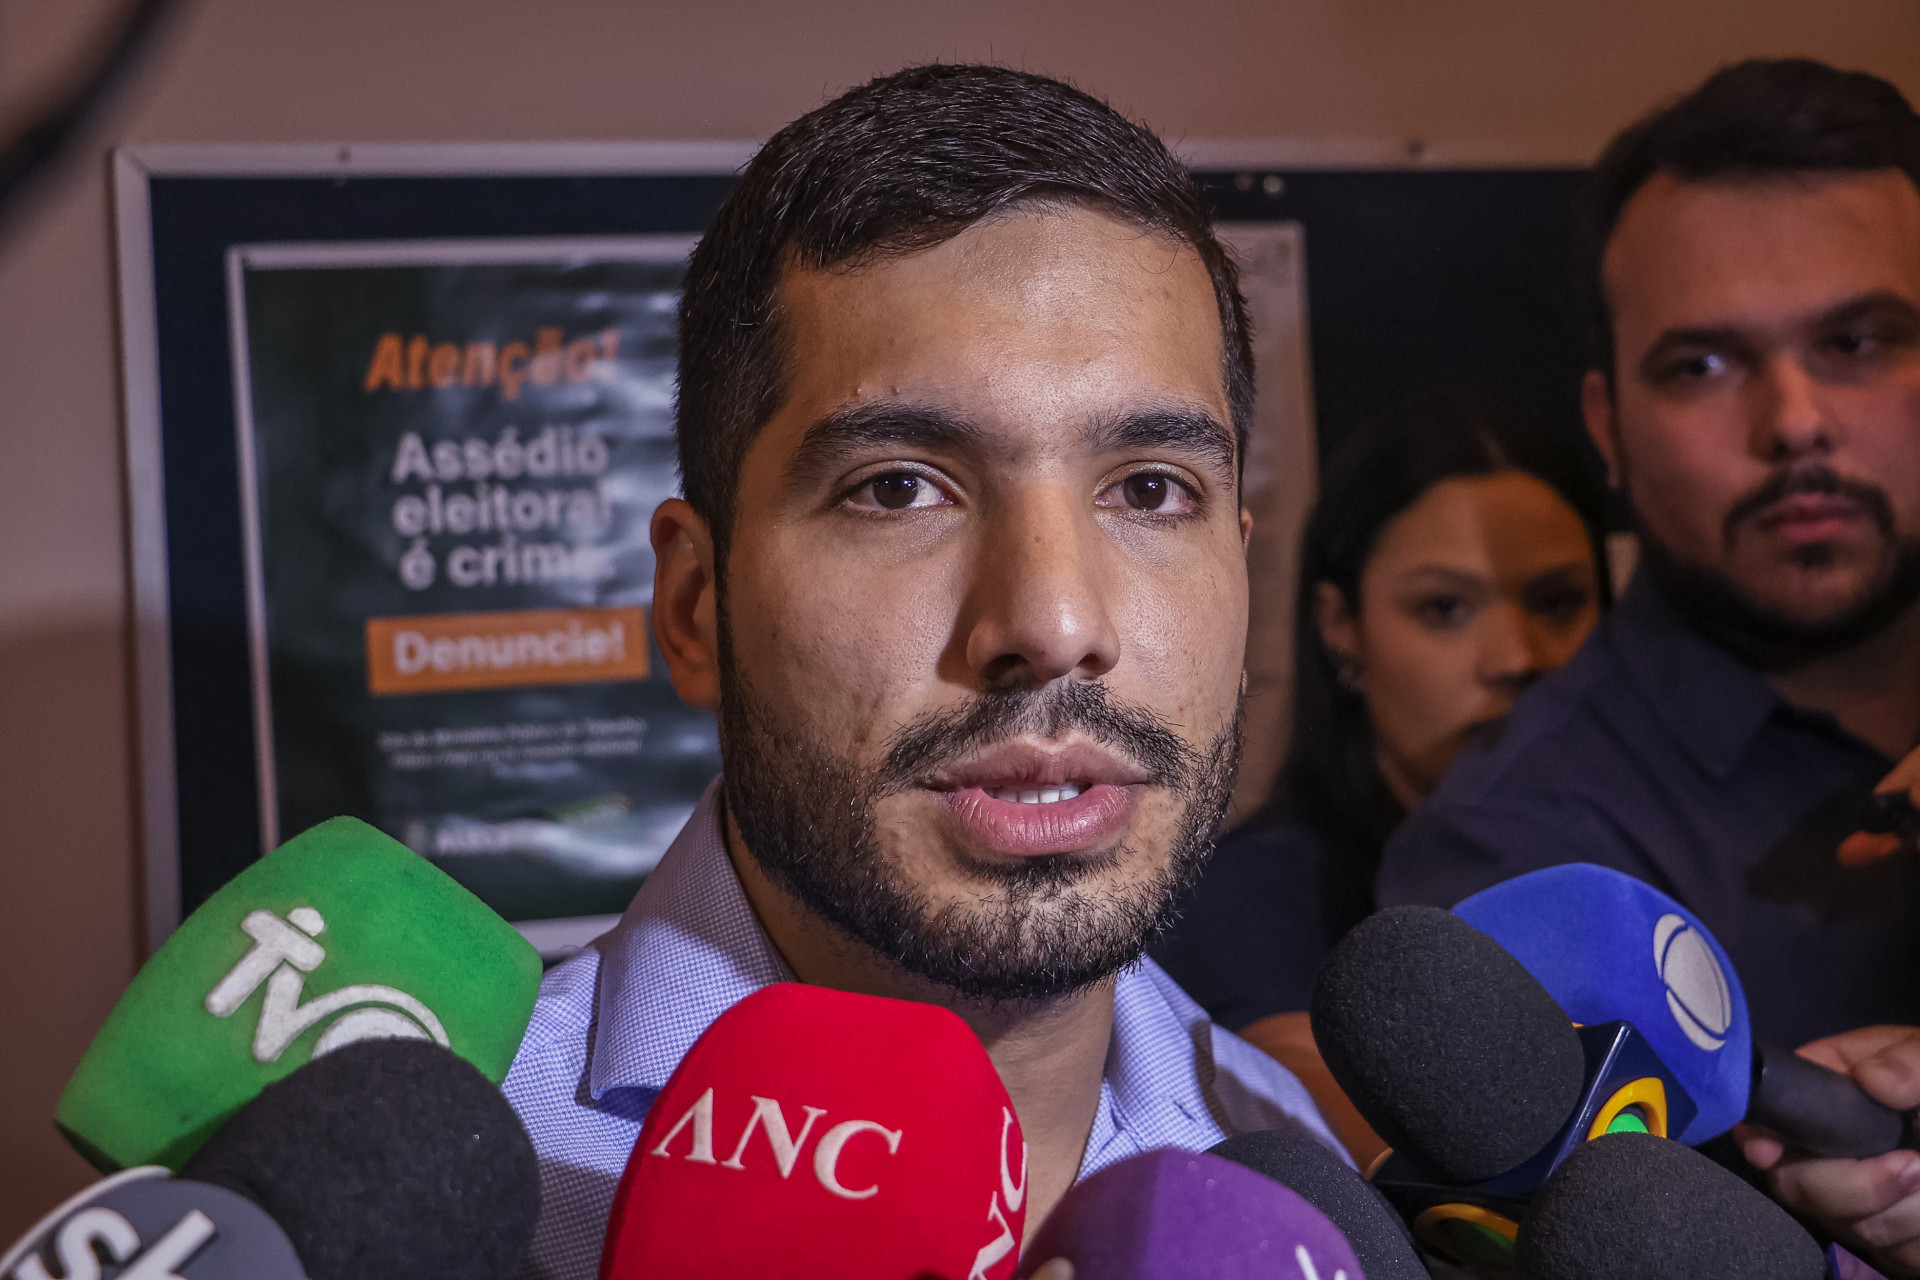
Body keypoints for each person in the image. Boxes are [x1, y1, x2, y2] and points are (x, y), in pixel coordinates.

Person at [501, 64, 1336, 1279]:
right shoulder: (458, 1181)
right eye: (898, 486)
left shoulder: (1300, 1171)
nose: (1051, 622)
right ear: (695, 606)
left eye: (1150, 488)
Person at [1378, 59, 1920, 1274]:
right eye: (1703, 366)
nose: (1793, 422)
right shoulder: (1518, 850)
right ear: (1610, 426)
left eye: (1859, 339)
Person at [1152, 392, 1608, 1159]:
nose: (1517, 658)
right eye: (1444, 608)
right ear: (1341, 626)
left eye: (1559, 603)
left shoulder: (1642, 862)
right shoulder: (1255, 895)